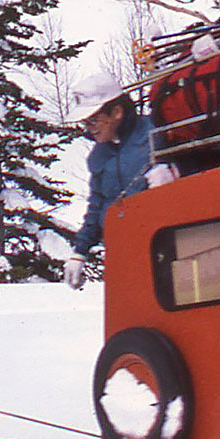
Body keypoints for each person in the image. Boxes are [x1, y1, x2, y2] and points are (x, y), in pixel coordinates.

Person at [63, 73, 153, 289]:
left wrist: (174, 170)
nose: (89, 128)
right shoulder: (98, 156)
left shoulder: (154, 132)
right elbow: (97, 206)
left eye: (93, 119)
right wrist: (79, 252)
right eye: (86, 122)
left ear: (117, 112)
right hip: (123, 253)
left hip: (164, 243)